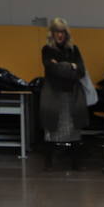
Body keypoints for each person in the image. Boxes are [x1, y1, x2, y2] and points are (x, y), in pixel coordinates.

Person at [40, 18, 88, 170]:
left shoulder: (74, 49)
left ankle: (76, 163)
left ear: (66, 34)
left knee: (74, 128)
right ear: (52, 34)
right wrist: (70, 66)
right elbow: (51, 69)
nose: (60, 35)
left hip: (71, 95)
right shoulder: (46, 50)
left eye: (62, 32)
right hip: (53, 95)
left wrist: (62, 66)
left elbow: (81, 71)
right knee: (51, 129)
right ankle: (48, 162)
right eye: (57, 32)